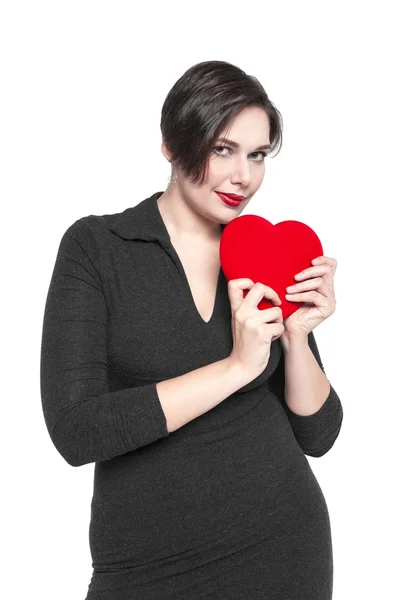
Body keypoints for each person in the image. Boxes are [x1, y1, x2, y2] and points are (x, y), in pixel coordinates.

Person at [40, 60, 344, 599]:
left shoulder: (258, 249)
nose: (243, 176)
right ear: (171, 146)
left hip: (282, 553)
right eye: (222, 149)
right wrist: (234, 368)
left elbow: (319, 434)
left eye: (257, 155)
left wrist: (297, 337)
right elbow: (76, 430)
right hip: (145, 570)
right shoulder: (98, 248)